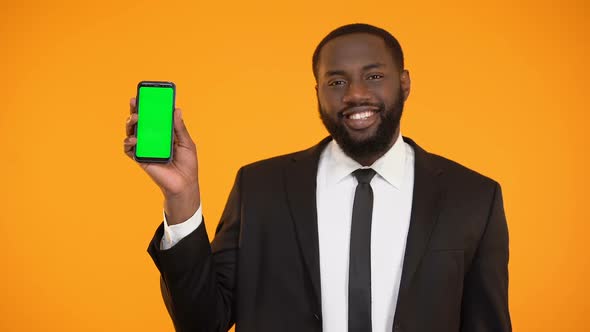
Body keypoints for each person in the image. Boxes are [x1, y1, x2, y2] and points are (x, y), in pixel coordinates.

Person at [124, 23, 511, 332]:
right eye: (337, 82)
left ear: (404, 82)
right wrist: (182, 198)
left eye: (374, 76)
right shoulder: (261, 188)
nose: (355, 94)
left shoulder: (473, 196)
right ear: (318, 92)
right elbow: (202, 323)